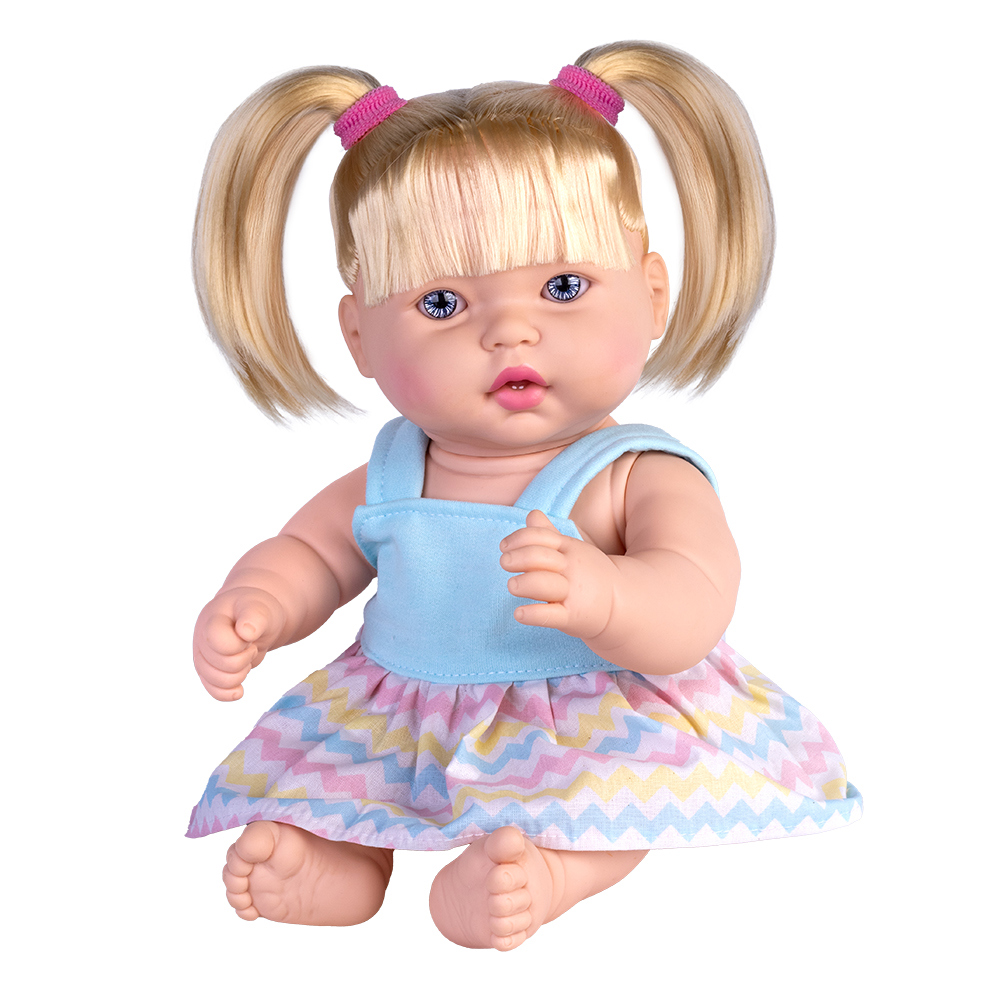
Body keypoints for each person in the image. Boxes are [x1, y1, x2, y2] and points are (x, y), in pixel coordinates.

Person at [187, 41, 862, 950]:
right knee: (343, 784)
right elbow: (314, 550)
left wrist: (609, 595)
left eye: (563, 287)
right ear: (359, 336)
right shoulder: (395, 466)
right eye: (441, 304)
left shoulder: (635, 472)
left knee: (613, 798)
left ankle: (549, 875)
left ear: (652, 295)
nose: (511, 330)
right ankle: (337, 865)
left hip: (583, 713)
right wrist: (260, 601)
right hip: (405, 710)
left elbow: (696, 597)